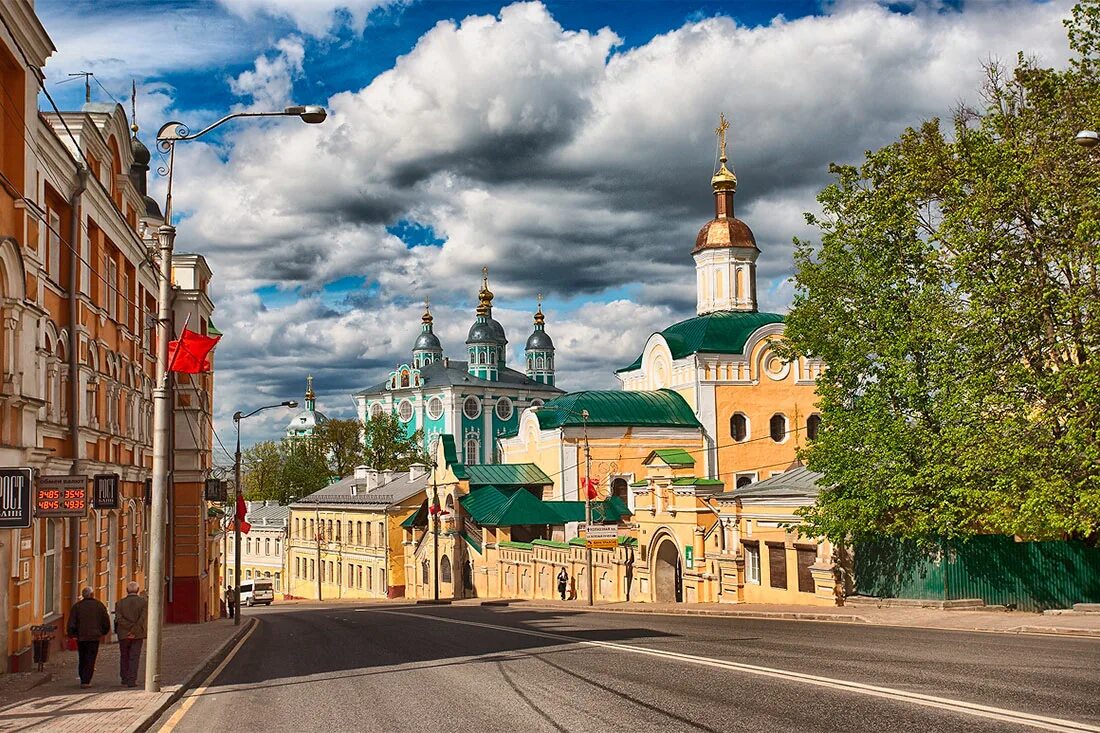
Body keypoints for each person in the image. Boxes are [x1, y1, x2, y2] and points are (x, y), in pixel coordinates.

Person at [66, 587, 110, 688]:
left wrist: (72, 635)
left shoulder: (77, 607)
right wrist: (103, 632)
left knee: (82, 657)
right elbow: (105, 621)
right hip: (94, 637)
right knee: (91, 658)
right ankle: (87, 680)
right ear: (92, 594)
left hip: (81, 637)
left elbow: (71, 623)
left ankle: (83, 678)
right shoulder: (99, 606)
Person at [114, 582, 148, 688]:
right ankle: (131, 680)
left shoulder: (119, 603)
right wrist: (134, 630)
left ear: (126, 590)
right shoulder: (143, 602)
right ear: (137, 590)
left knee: (124, 656)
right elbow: (143, 618)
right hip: (138, 634)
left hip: (124, 634)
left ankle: (124, 678)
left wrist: (129, 629)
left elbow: (119, 619)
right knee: (134, 656)